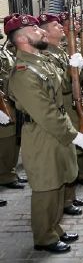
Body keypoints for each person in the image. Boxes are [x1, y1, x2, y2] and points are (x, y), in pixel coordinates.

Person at [6, 14, 83, 253]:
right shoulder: (24, 71)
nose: (42, 32)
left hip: (56, 129)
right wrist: (73, 134)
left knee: (58, 182)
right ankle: (44, 237)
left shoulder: (41, 61)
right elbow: (44, 111)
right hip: (41, 134)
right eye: (35, 30)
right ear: (23, 38)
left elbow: (62, 92)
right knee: (46, 187)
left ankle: (55, 228)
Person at [1, 20, 26, 191]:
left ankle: (8, 174)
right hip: (3, 102)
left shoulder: (4, 53)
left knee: (13, 139)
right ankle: (4, 175)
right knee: (6, 140)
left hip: (9, 101)